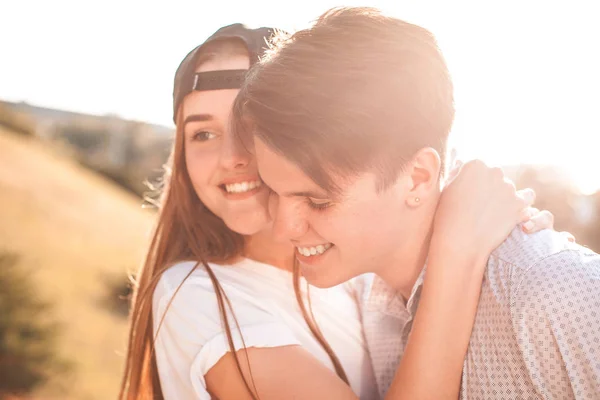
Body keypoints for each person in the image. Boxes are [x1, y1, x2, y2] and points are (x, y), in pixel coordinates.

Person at [119, 23, 557, 400]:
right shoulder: (193, 295)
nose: (232, 156)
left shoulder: (345, 267)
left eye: (247, 128)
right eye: (202, 135)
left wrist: (500, 228)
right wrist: (460, 248)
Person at [233, 7, 600, 399]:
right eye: (275, 191)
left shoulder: (556, 293)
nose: (284, 227)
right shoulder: (364, 301)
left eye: (318, 201)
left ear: (418, 177)